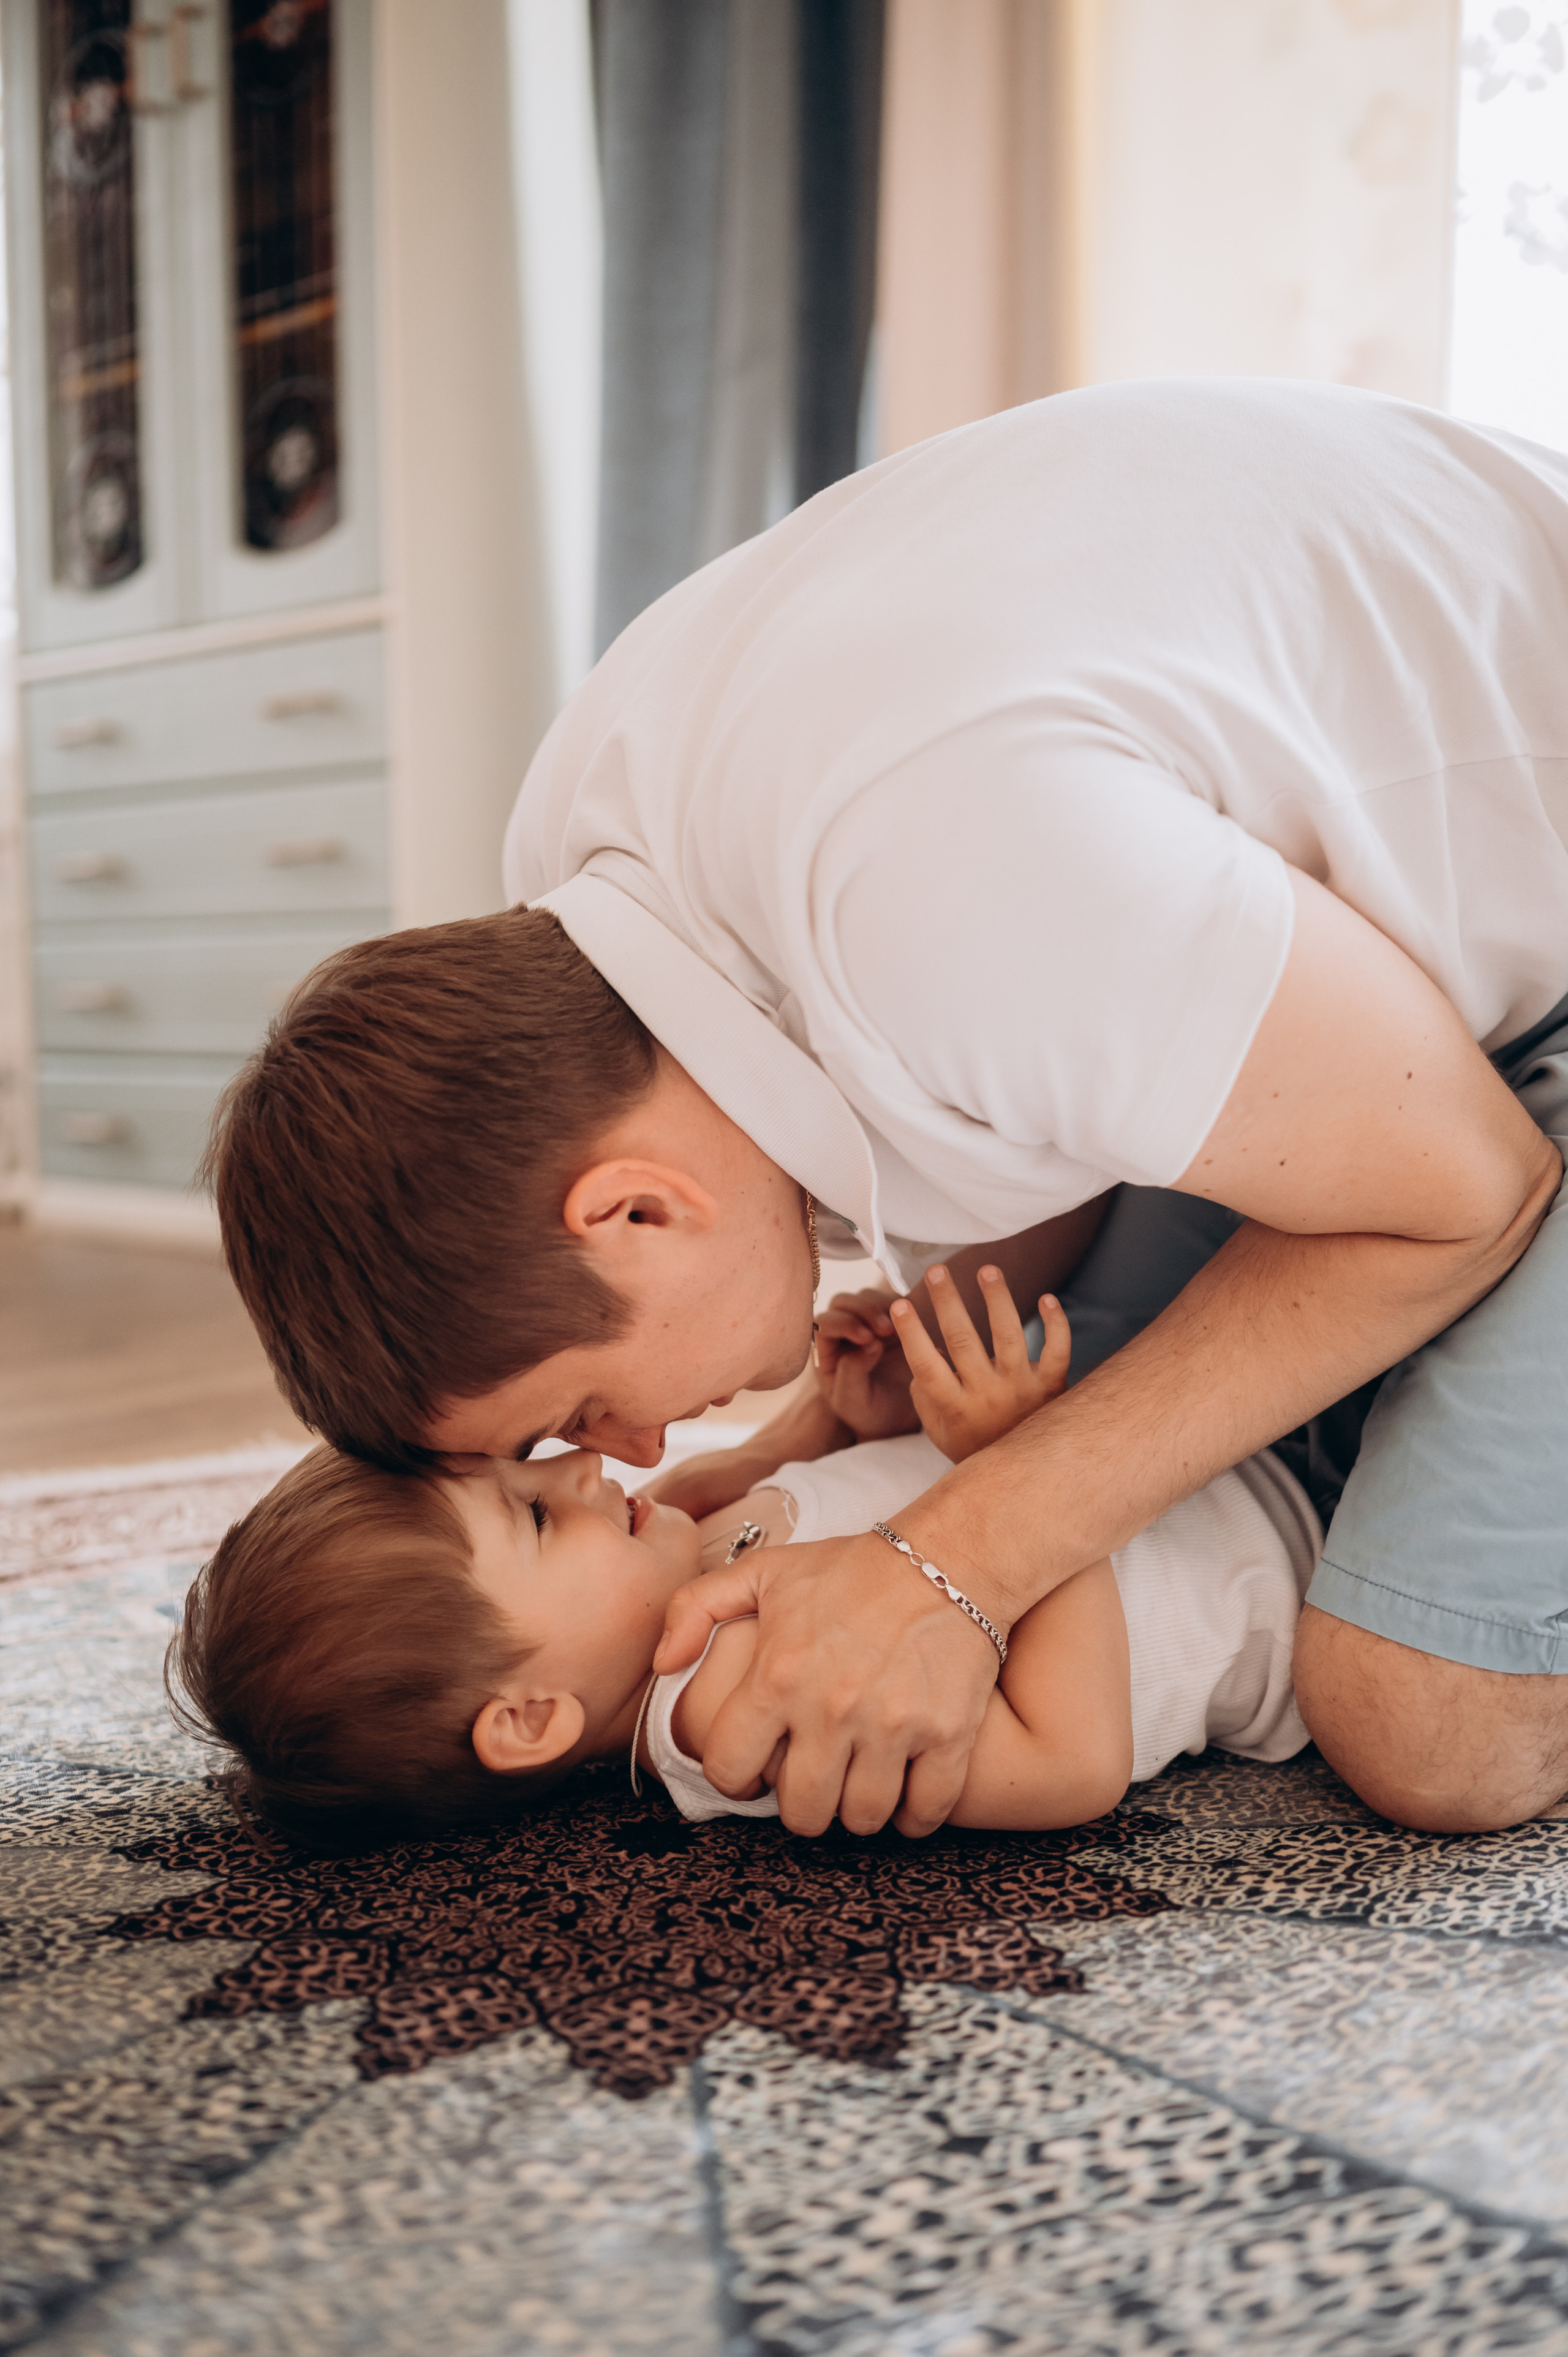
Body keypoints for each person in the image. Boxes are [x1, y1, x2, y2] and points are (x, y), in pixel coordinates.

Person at [205, 379, 1568, 1840]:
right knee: (1071, 1371)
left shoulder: (947, 888)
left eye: (578, 1413)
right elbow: (1018, 1096)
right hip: (1399, 997)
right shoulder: (589, 883)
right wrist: (819, 1434)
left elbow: (1467, 1186)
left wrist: (956, 1559)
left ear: (634, 1212)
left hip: (1487, 1061)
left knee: (1429, 1725)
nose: (638, 1450)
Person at [168, 1281, 1321, 1852]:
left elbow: (852, 1512)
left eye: (528, 1465)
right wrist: (1020, 1469)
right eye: (535, 1519)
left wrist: (843, 1412)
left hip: (1209, 1452)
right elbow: (1070, 1762)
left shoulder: (661, 1556)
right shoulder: (735, 1716)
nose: (580, 1468)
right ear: (529, 1717)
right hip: (1291, 1567)